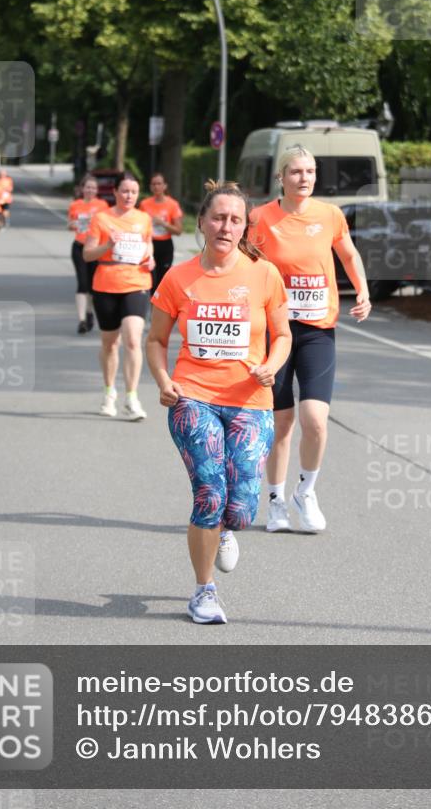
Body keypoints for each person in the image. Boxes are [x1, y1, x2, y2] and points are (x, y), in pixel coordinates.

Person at [146, 181, 291, 624]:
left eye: (235, 219)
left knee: (243, 508)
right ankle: (203, 591)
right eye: (217, 218)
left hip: (251, 399)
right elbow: (155, 340)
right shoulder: (179, 277)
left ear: (245, 225)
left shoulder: (264, 274)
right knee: (209, 492)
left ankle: (228, 530)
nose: (225, 226)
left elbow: (283, 335)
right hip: (194, 396)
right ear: (202, 223)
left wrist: (272, 364)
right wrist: (163, 378)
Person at [249, 145, 371, 534]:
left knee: (315, 419)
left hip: (319, 328)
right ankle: (276, 501)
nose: (305, 178)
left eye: (311, 171)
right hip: (275, 331)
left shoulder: (330, 215)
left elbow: (349, 255)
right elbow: (244, 265)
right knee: (281, 421)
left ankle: (307, 490)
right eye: (297, 172)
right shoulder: (260, 218)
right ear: (281, 178)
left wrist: (362, 291)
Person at [83, 171, 154, 420]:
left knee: (133, 339)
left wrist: (151, 257)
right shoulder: (101, 218)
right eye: (124, 191)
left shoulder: (144, 218)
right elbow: (88, 254)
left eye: (133, 192)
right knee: (110, 343)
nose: (129, 196)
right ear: (114, 192)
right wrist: (107, 246)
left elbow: (148, 243)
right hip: (106, 284)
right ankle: (109, 392)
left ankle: (132, 397)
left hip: (137, 283)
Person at [67, 175, 107, 333]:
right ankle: (82, 320)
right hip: (79, 247)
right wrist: (74, 224)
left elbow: (107, 224)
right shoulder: (75, 205)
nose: (90, 190)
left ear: (97, 190)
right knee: (82, 284)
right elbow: (69, 224)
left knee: (92, 286)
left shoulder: (102, 205)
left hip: (96, 249)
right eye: (87, 187)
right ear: (82, 189)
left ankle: (90, 312)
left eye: (93, 188)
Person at [139, 173, 184, 293]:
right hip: (149, 244)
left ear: (165, 186)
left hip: (165, 245)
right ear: (150, 187)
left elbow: (179, 231)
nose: (156, 187)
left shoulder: (172, 205)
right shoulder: (144, 204)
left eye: (159, 183)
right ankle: (148, 306)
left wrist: (163, 223)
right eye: (153, 184)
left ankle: (160, 307)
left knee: (162, 279)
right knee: (149, 277)